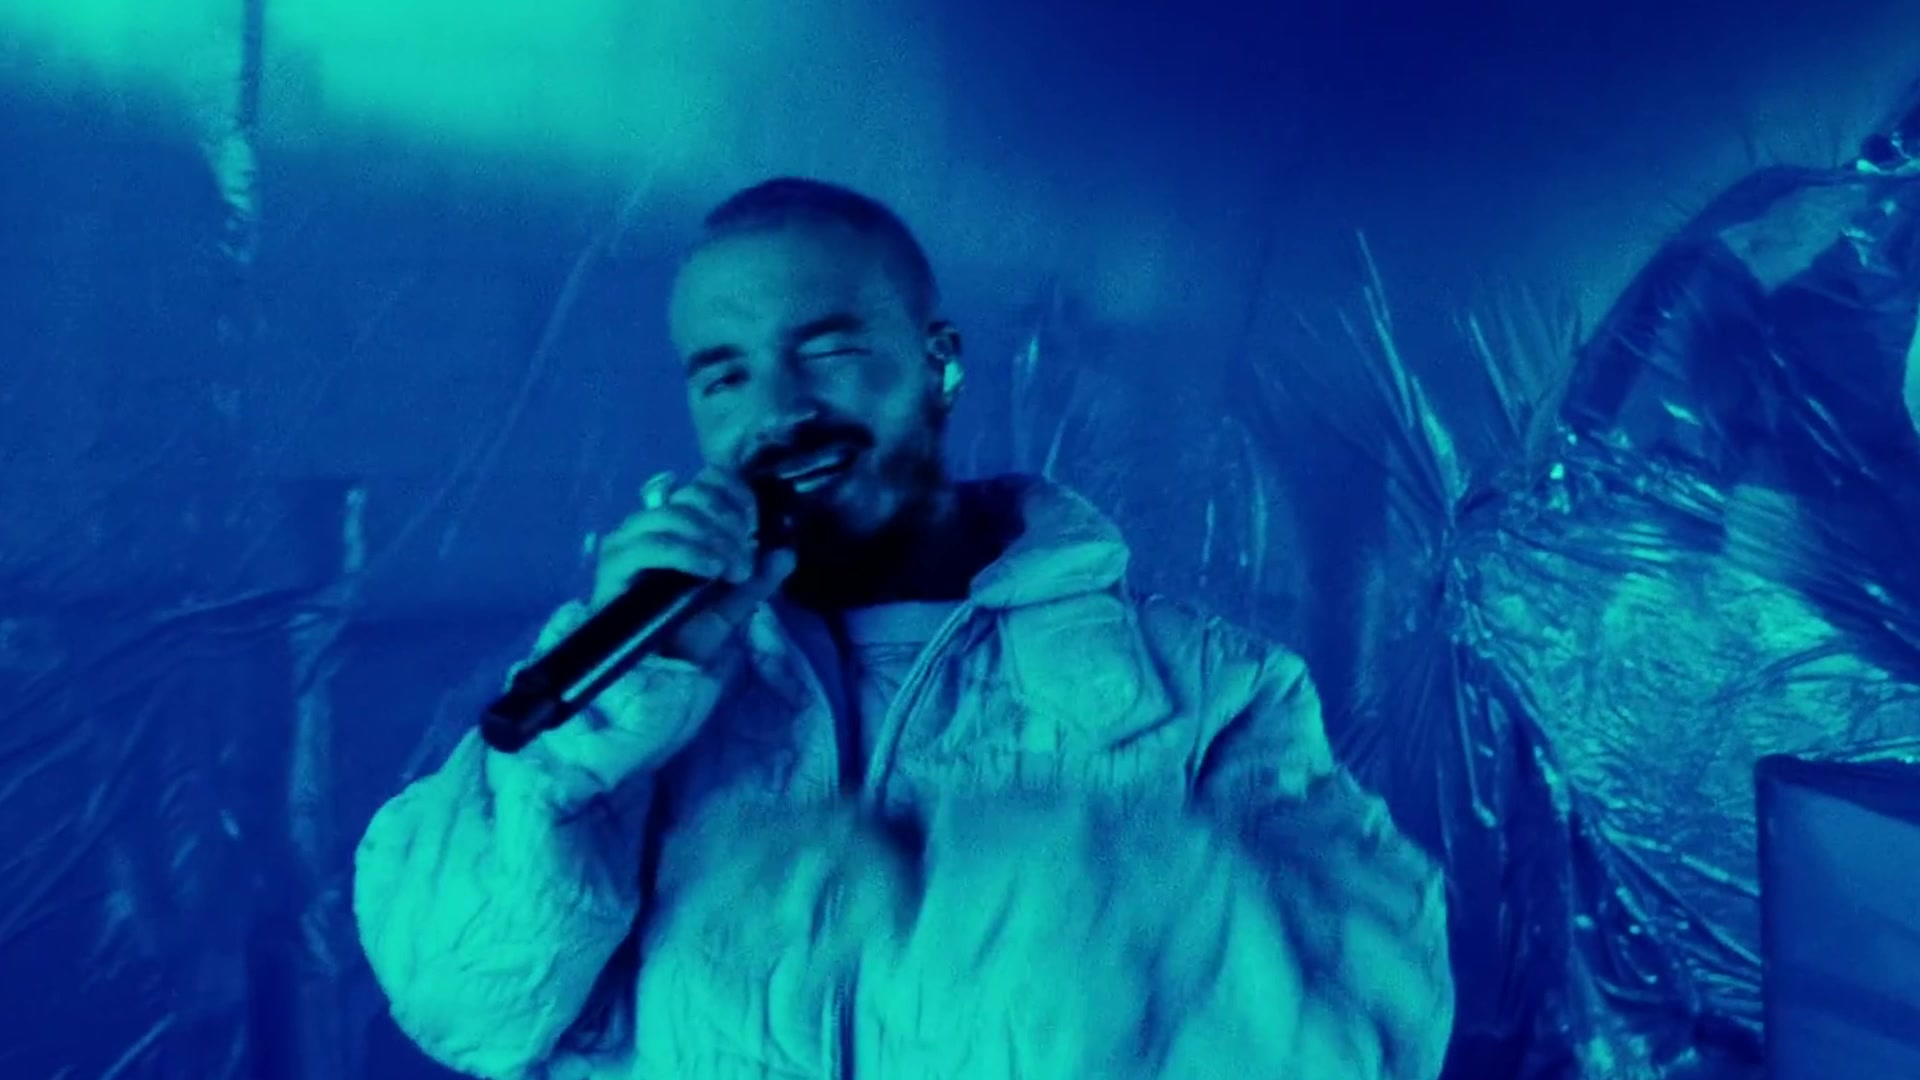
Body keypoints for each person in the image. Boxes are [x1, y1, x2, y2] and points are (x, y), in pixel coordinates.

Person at [352, 177, 1454, 1080]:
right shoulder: (615, 684)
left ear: (940, 364)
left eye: (827, 350)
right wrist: (612, 715)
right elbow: (467, 1008)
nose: (777, 408)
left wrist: (964, 883)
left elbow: (1363, 1029)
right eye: (724, 375)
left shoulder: (1209, 691)